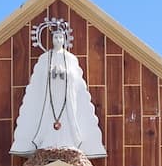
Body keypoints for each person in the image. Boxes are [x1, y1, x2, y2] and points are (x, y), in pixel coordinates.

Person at [10, 27, 106, 158]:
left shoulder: (70, 58)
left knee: (67, 119)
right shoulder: (45, 58)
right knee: (48, 117)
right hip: (49, 98)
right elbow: (39, 79)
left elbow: (75, 77)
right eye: (56, 37)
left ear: (65, 40)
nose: (58, 40)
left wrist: (65, 74)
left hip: (66, 99)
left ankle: (69, 143)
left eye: (61, 37)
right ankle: (46, 142)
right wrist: (51, 74)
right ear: (52, 39)